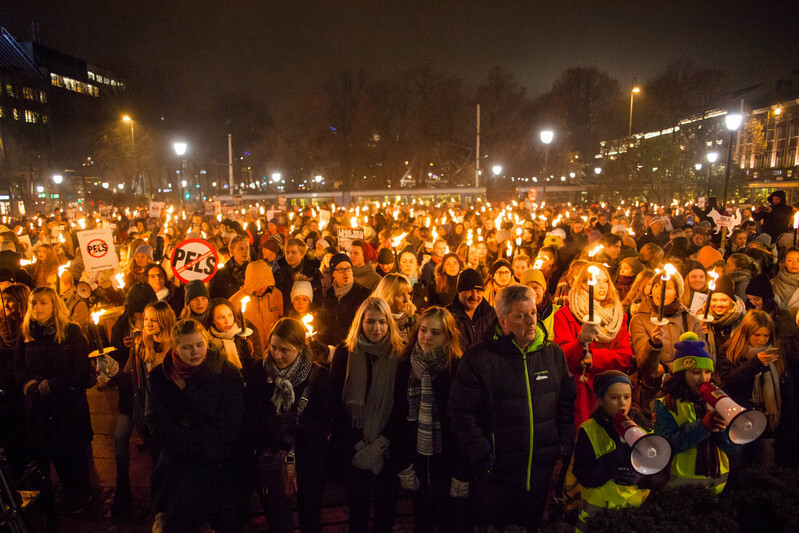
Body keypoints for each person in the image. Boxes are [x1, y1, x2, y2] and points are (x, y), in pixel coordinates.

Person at [448, 285, 575, 532]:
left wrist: (562, 444)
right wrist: (485, 454)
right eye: (520, 315)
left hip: (539, 470)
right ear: (503, 322)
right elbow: (461, 412)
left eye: (533, 313)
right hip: (496, 474)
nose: (530, 321)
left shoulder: (552, 354)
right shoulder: (480, 358)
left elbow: (566, 402)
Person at [146, 319, 245, 533]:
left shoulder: (225, 372)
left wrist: (203, 445)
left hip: (216, 460)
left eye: (199, 344)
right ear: (175, 347)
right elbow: (157, 421)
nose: (195, 352)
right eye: (187, 347)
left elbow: (231, 421)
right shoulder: (159, 377)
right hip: (178, 462)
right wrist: (184, 445)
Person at [241, 317, 331, 533]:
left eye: (285, 349)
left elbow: (326, 421)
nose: (277, 355)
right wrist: (269, 426)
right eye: (273, 347)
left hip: (308, 460)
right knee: (278, 519)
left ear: (300, 348)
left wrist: (300, 427)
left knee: (310, 516)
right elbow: (249, 417)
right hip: (272, 459)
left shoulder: (318, 376)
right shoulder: (258, 372)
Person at [386, 307, 467, 532]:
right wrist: (403, 464)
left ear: (447, 336)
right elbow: (399, 418)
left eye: (435, 332)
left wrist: (461, 471)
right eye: (423, 330)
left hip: (447, 458)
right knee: (421, 518)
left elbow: (463, 423)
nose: (427, 337)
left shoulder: (457, 368)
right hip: (417, 455)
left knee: (449, 519)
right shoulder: (405, 367)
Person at [14, 286, 94, 513]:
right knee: (44, 449)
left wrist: (54, 384)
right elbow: (18, 366)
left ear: (54, 306)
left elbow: (82, 370)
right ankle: (50, 494)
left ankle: (79, 494)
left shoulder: (71, 332)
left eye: (42, 302)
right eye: (33, 303)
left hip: (67, 405)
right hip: (38, 405)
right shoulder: (26, 332)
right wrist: (28, 383)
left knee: (70, 452)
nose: (36, 307)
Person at [329, 297, 404, 533]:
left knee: (386, 508)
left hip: (387, 445)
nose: (376, 328)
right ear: (360, 323)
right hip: (355, 443)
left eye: (382, 322)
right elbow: (336, 401)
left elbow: (402, 403)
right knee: (358, 509)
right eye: (370, 321)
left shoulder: (399, 354)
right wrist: (359, 443)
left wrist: (381, 442)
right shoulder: (345, 352)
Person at [569, 371, 663, 533]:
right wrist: (610, 462)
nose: (622, 403)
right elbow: (584, 476)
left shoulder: (644, 427)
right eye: (614, 397)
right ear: (600, 400)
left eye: (627, 397)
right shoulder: (590, 430)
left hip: (634, 515)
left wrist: (642, 479)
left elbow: (661, 474)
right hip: (597, 516)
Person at [652, 332, 740, 494]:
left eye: (707, 372)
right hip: (680, 487)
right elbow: (665, 447)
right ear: (681, 374)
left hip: (717, 484)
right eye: (695, 372)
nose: (703, 378)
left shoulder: (718, 398)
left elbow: (732, 447)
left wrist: (723, 430)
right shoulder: (667, 403)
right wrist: (703, 427)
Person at [113, 300, 176, 516]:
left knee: (166, 460)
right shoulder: (141, 345)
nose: (147, 323)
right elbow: (130, 377)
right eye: (146, 319)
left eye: (153, 319)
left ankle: (167, 505)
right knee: (155, 458)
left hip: (170, 411)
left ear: (165, 320)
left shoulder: (176, 345)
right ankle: (158, 505)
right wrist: (112, 371)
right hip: (147, 410)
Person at [554, 263, 634, 428]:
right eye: (596, 281)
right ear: (583, 284)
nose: (602, 286)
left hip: (613, 391)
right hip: (582, 392)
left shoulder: (618, 316)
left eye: (605, 281)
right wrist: (581, 341)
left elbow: (624, 355)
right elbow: (562, 357)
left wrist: (591, 358)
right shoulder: (565, 315)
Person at [629, 267, 705, 416]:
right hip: (653, 392)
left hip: (686, 392)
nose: (660, 290)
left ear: (677, 292)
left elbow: (701, 358)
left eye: (668, 287)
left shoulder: (690, 320)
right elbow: (647, 366)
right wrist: (654, 345)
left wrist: (668, 367)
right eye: (657, 285)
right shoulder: (640, 319)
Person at [716, 311, 783, 468]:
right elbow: (728, 382)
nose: (761, 340)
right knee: (738, 465)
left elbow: (784, 385)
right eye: (757, 335)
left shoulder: (775, 352)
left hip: (765, 420)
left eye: (766, 336)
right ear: (746, 333)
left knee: (764, 465)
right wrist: (755, 363)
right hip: (739, 418)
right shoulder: (729, 351)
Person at [0, 284, 31, 475]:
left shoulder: (28, 325)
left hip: (21, 382)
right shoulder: (2, 323)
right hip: (5, 382)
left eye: (11, 300)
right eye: (4, 300)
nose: (6, 304)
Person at [318, 253, 372, 346]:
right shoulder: (330, 293)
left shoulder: (363, 294)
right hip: (332, 346)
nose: (346, 273)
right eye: (341, 269)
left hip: (354, 346)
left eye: (348, 268)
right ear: (333, 273)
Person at [229, 259, 282, 350]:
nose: (263, 289)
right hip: (251, 352)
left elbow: (280, 320)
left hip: (273, 350)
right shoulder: (235, 302)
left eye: (265, 284)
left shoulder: (276, 295)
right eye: (259, 285)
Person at [445, 268, 496, 352]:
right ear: (459, 292)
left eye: (478, 291)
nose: (474, 296)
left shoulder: (491, 315)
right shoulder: (447, 315)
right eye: (469, 291)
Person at [272, 238, 322, 314]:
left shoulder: (313, 273)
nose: (289, 256)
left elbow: (318, 297)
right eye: (287, 252)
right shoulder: (279, 274)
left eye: (293, 252)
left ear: (302, 254)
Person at [205, 298, 257, 370]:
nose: (227, 321)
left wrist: (248, 351)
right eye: (221, 317)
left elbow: (257, 361)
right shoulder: (206, 340)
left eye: (230, 315)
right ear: (212, 320)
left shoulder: (247, 333)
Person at [703, 274, 746, 358]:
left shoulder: (742, 319)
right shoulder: (701, 320)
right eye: (714, 300)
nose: (719, 304)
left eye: (724, 300)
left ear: (731, 302)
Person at [371, 273, 418, 344]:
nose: (406, 300)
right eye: (400, 295)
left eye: (408, 293)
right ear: (387, 296)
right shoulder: (372, 322)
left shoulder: (415, 321)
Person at [521, 268, 560, 340]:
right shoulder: (519, 315)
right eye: (528, 288)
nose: (532, 292)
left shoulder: (559, 312)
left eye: (536, 288)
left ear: (543, 289)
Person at [210, 234, 250, 300]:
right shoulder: (221, 274)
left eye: (247, 248)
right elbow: (215, 298)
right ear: (232, 252)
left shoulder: (254, 269)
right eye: (241, 249)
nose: (245, 252)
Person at [771, 246, 799, 317]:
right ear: (784, 262)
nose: (794, 264)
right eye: (790, 260)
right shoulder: (773, 283)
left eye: (798, 260)